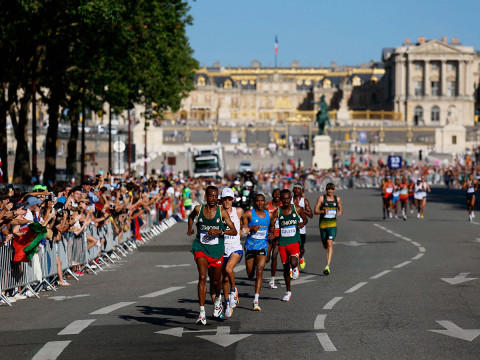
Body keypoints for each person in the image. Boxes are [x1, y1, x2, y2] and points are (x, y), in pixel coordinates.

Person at [187, 186, 237, 325]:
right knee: (202, 277)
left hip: (216, 250)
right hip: (201, 247)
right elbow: (190, 217)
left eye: (216, 196)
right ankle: (201, 313)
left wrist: (220, 232)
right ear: (206, 196)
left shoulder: (222, 212)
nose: (213, 199)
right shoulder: (199, 209)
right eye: (211, 196)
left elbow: (234, 231)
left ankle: (217, 301)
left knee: (216, 282)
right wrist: (190, 228)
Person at [269, 189, 308, 302]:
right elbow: (272, 224)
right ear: (281, 199)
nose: (286, 201)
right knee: (286, 269)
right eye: (283, 199)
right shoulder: (278, 212)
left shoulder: (297, 209)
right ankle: (288, 291)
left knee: (293, 262)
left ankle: (295, 267)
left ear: (290, 198)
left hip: (294, 241)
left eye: (287, 198)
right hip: (283, 243)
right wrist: (271, 233)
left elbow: (305, 219)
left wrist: (302, 223)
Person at [241, 193, 271, 311]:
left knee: (260, 270)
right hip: (250, 246)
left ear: (264, 202)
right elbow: (243, 230)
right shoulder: (248, 214)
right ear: (254, 202)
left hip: (262, 246)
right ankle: (251, 267)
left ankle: (256, 300)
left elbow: (272, 227)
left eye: (262, 201)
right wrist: (252, 228)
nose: (260, 203)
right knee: (250, 274)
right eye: (257, 201)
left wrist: (272, 233)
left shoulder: (269, 214)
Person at [220, 187, 243, 318]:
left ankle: (234, 290)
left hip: (235, 247)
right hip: (222, 249)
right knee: (224, 280)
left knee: (229, 269)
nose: (227, 201)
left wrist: (246, 227)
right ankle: (227, 303)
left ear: (233, 199)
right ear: (221, 199)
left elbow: (247, 220)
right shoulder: (218, 212)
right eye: (225, 199)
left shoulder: (238, 211)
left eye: (230, 199)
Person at [314, 182, 343, 276]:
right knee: (325, 244)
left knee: (329, 243)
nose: (330, 190)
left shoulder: (337, 199)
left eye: (332, 189)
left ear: (334, 190)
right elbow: (315, 211)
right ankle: (326, 245)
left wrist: (339, 212)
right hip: (323, 225)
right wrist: (322, 211)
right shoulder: (321, 198)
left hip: (332, 225)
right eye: (328, 189)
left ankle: (327, 266)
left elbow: (340, 208)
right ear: (326, 189)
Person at [292, 183, 313, 272]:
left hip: (301, 229)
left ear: (301, 191)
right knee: (292, 248)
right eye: (295, 188)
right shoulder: (289, 200)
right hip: (291, 228)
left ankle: (301, 257)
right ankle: (293, 267)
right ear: (293, 190)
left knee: (301, 248)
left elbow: (311, 215)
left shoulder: (304, 201)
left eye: (298, 189)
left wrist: (301, 210)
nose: (296, 190)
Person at [266, 188, 281, 288]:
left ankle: (272, 279)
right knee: (266, 259)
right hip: (268, 234)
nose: (277, 195)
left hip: (278, 234)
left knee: (274, 256)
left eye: (279, 194)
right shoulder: (267, 206)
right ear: (272, 195)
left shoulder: (283, 206)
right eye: (275, 193)